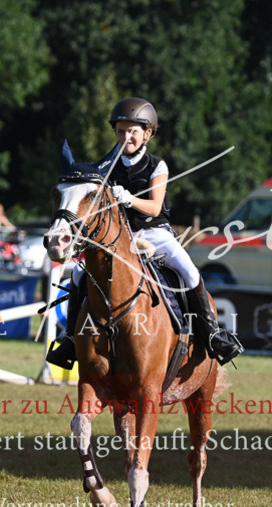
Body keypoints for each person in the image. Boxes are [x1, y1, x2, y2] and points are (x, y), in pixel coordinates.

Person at [46, 97, 243, 368]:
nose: (126, 136)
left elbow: (154, 207)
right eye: (120, 131)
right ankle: (69, 340)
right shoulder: (104, 168)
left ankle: (212, 334)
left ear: (147, 133)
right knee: (79, 274)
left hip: (153, 233)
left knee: (189, 271)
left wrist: (129, 200)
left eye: (133, 131)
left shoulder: (156, 165)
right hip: (117, 239)